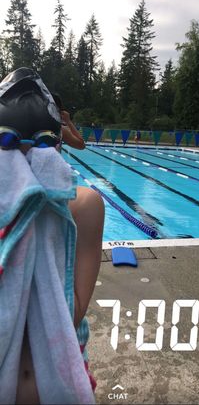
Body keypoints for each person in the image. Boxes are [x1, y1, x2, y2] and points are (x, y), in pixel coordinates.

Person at [0, 68, 104, 404]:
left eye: (41, 148)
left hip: (55, 389)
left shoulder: (84, 207)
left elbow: (68, 313)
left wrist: (37, 204)